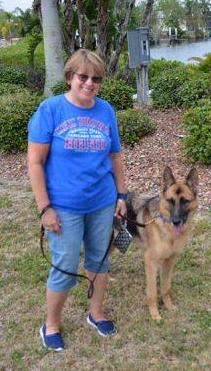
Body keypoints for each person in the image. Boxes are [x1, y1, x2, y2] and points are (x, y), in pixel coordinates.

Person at [27, 49, 127, 351]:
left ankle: (95, 314)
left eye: (96, 78)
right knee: (65, 265)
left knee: (99, 259)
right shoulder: (51, 110)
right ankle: (52, 324)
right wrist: (45, 208)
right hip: (64, 207)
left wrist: (121, 195)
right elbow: (35, 162)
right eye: (83, 76)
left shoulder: (106, 110)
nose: (89, 83)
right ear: (70, 77)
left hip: (102, 202)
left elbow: (115, 156)